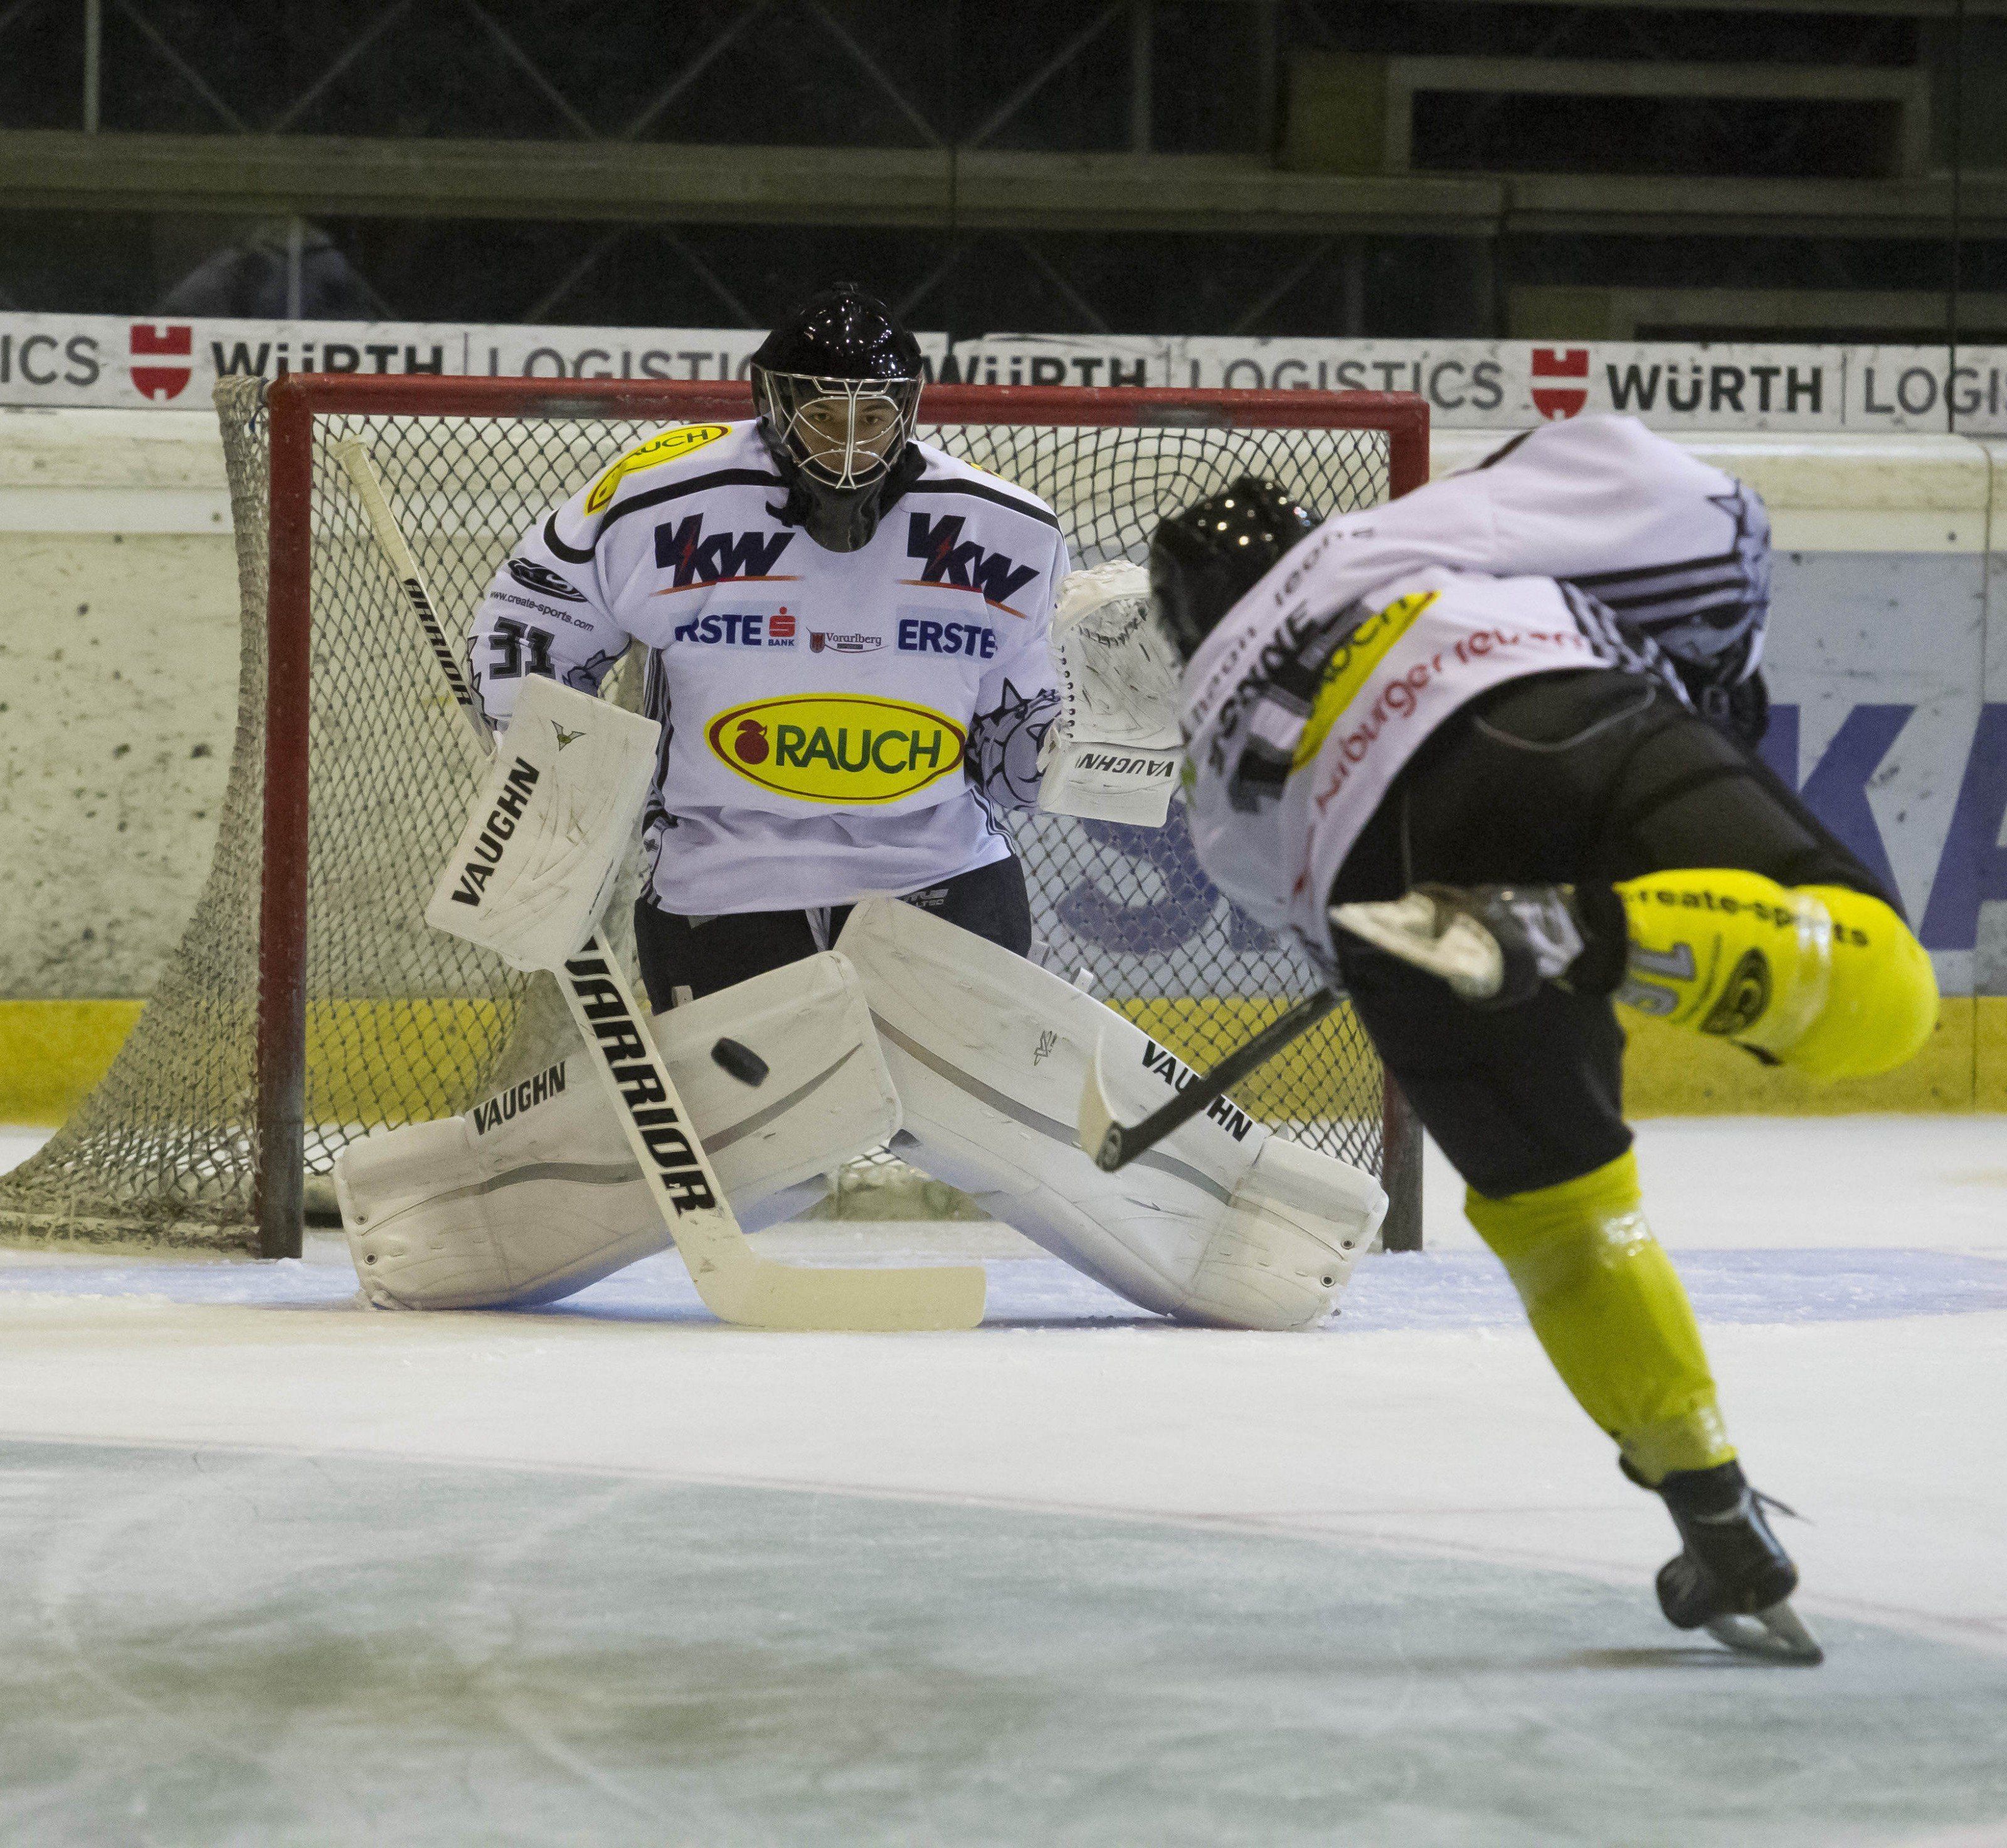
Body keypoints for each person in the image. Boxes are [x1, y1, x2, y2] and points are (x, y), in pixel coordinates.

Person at [333, 286, 1387, 1334]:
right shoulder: (656, 499)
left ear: (911, 408)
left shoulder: (1007, 531)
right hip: (721, 890)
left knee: (1024, 1133)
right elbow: (535, 615)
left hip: (942, 888)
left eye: (872, 414)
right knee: (749, 1165)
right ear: (771, 402)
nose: (846, 443)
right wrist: (542, 753)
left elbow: (1017, 764)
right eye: (821, 414)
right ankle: (427, 1220)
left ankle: (1274, 1235)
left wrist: (1107, 726)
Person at [1146, 414, 1939, 1662]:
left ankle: (1714, 1514)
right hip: (1534, 704)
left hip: (1370, 883)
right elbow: (1702, 511)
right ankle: (1582, 933)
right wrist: (1717, 671)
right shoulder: (1398, 533)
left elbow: (1358, 952)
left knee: (1562, 1216)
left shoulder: (1204, 764)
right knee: (1882, 989)